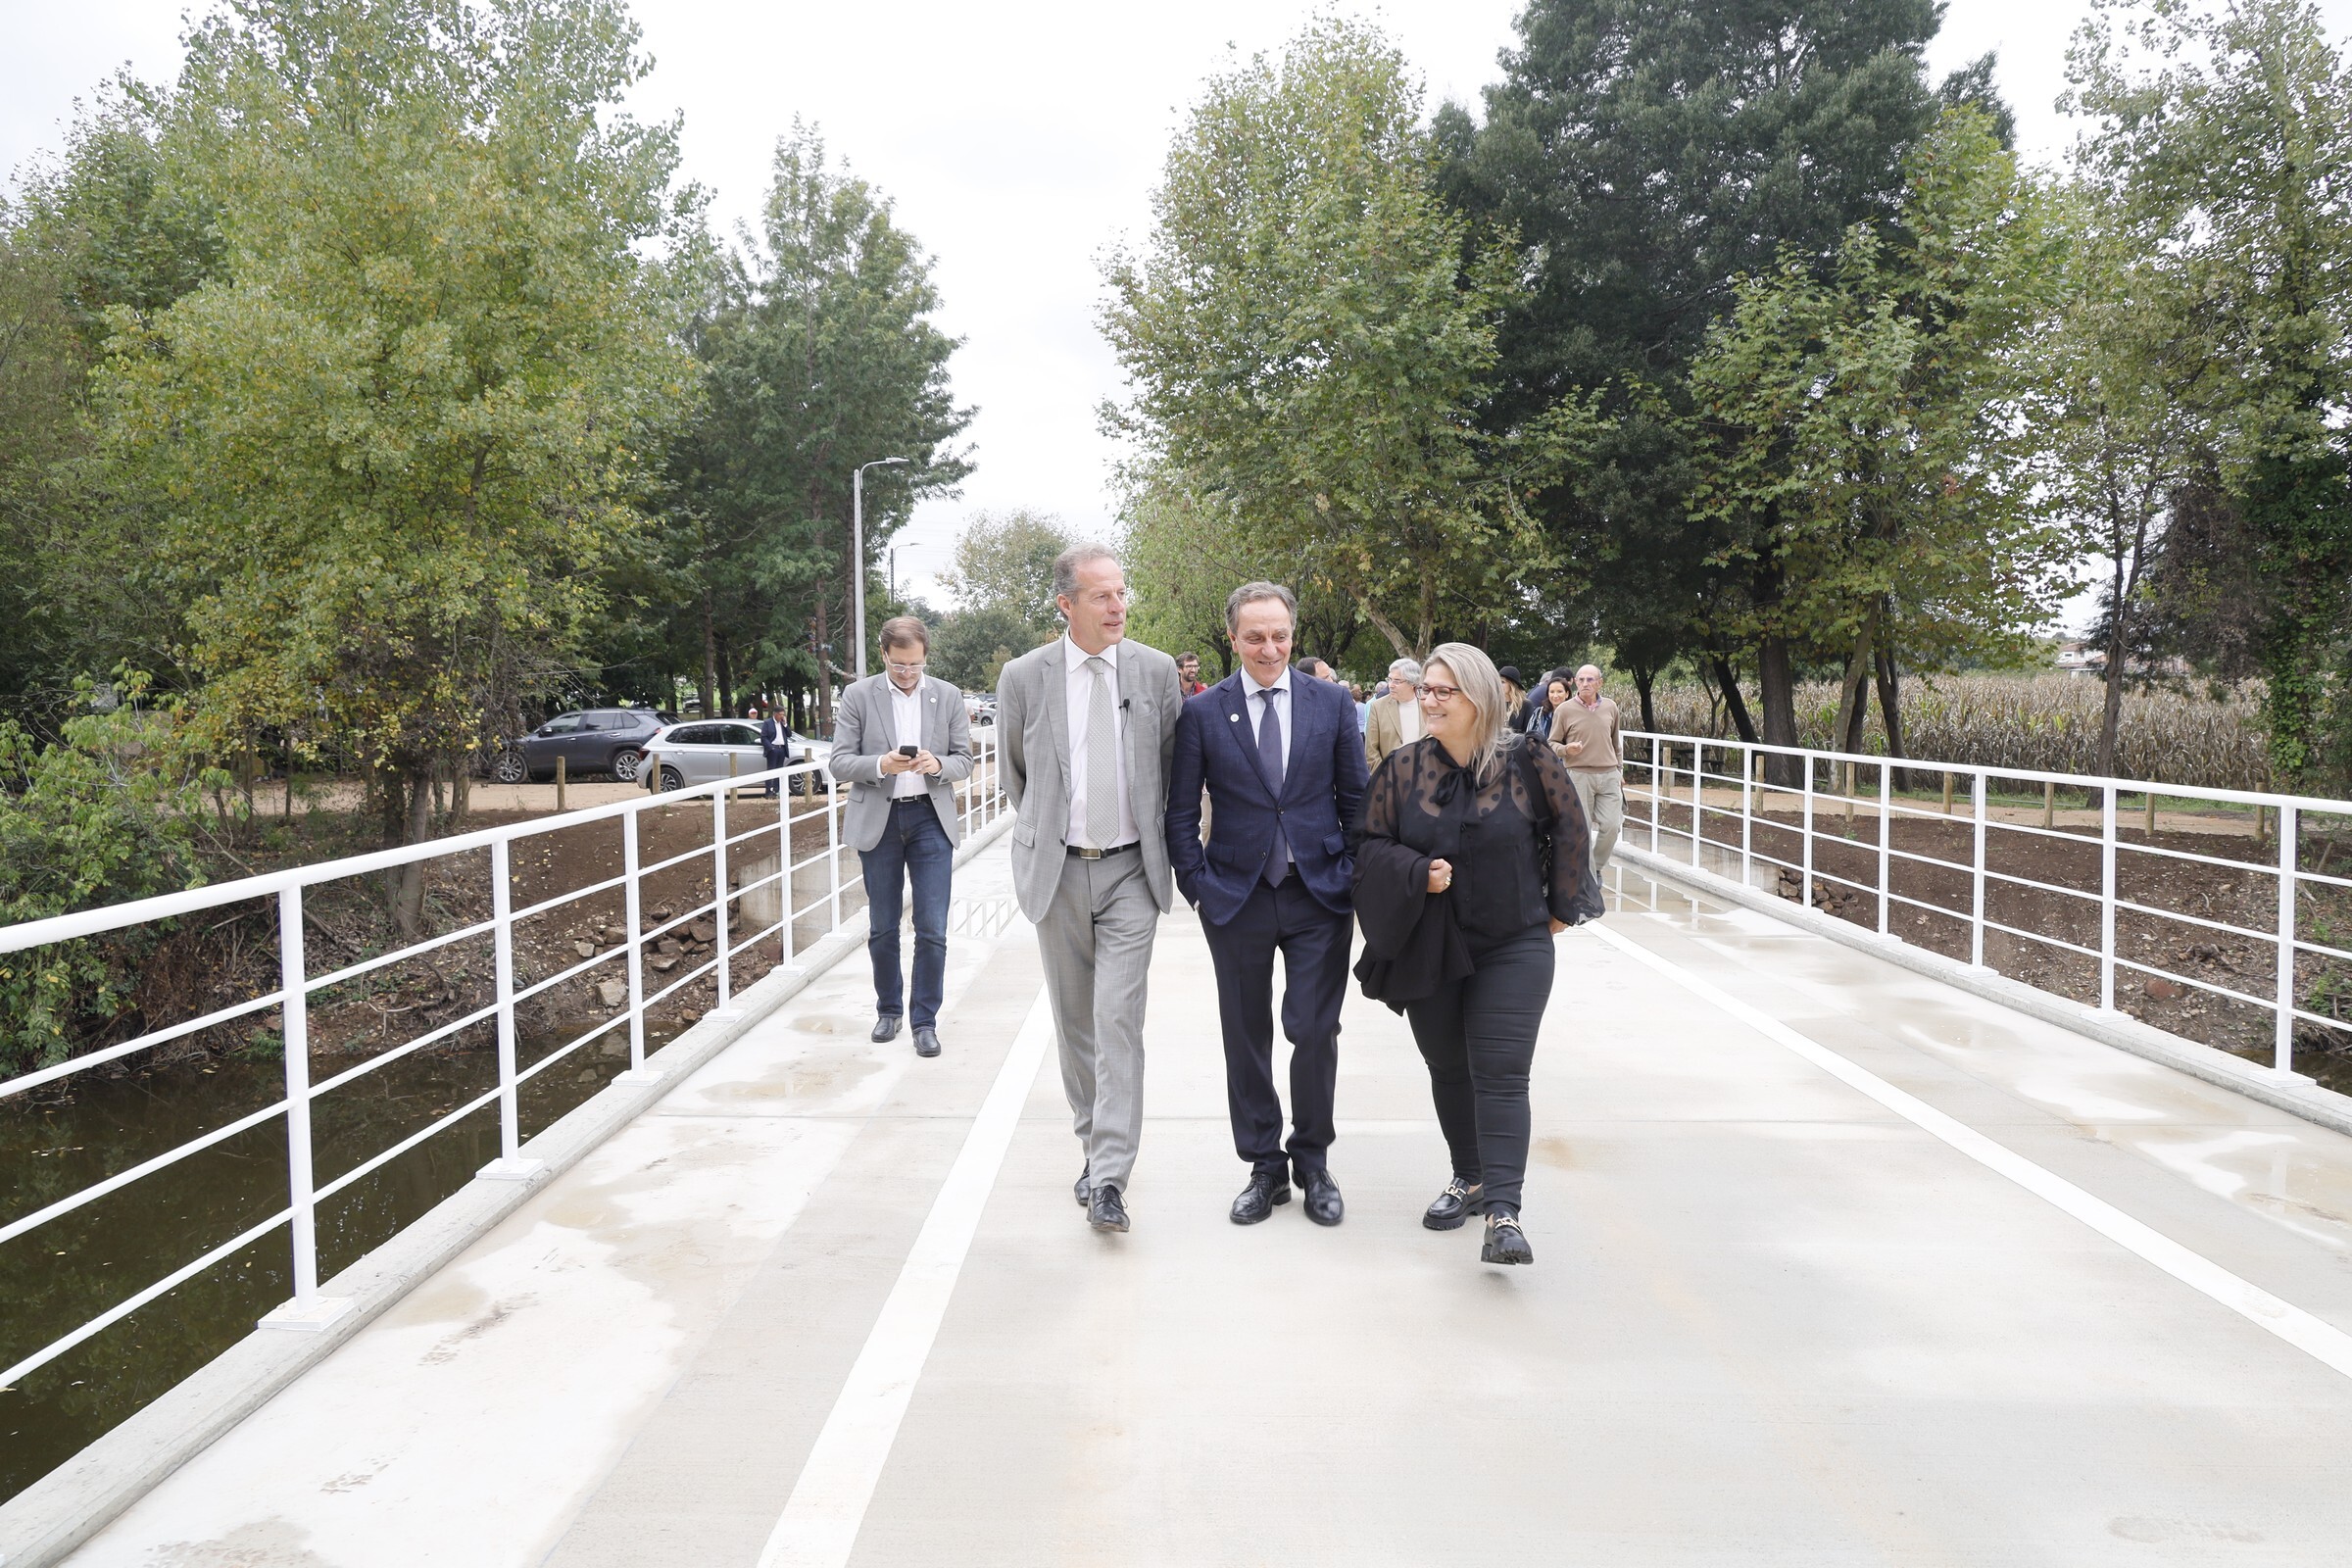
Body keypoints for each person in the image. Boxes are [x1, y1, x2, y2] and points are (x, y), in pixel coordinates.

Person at [1351, 643, 1590, 1267]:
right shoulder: (1402, 770)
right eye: (1425, 689)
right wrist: (1414, 874)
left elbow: (1570, 828)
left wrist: (1560, 910)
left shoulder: (1528, 759)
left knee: (1502, 1074)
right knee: (1448, 1066)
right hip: (1434, 946)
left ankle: (1504, 1213)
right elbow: (1367, 848)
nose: (1427, 700)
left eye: (1441, 691)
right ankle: (1469, 1175)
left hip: (1514, 943)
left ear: (1478, 698)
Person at [1166, 581, 1368, 1227]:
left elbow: (1357, 801)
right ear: (1233, 639)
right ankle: (1264, 1166)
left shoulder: (1332, 704)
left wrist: (1353, 872)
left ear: (1291, 634)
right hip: (1236, 898)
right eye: (1255, 636)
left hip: (1319, 894)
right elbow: (1179, 813)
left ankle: (1312, 1160)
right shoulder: (1202, 713)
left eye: (1279, 635)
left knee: (1313, 1031)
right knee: (1244, 1035)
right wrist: (1198, 885)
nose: (1270, 647)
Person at [998, 544, 1183, 1235]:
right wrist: (1053, 835)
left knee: (1117, 1022)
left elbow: (1169, 767)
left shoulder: (1156, 671)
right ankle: (1090, 1147)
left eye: (1122, 593)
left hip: (1133, 870)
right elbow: (1020, 775)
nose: (1117, 607)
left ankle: (1109, 1177)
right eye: (1101, 596)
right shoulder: (1024, 677)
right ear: (1065, 604)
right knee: (1075, 1024)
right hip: (1058, 870)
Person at [828, 617, 975, 1058]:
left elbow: (964, 761)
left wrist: (936, 765)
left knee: (932, 929)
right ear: (884, 655)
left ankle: (924, 1021)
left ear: (925, 656)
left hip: (931, 819)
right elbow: (838, 763)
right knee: (883, 926)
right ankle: (888, 1010)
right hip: (880, 820)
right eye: (898, 666)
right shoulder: (858, 695)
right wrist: (880, 765)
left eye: (914, 665)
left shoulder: (947, 695)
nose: (907, 674)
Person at [1550, 663, 1625, 876]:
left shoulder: (1610, 707)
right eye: (1581, 680)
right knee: (1581, 829)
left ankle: (1597, 867)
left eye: (1590, 679)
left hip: (1609, 774)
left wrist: (1619, 770)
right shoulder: (1564, 710)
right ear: (1575, 682)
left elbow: (1615, 742)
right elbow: (1552, 743)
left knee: (1612, 826)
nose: (1585, 684)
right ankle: (1589, 878)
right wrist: (1566, 749)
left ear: (1599, 683)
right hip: (1578, 775)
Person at [1363, 658, 1425, 774]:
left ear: (1412, 683)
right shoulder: (1378, 707)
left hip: (1425, 778)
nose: (1390, 685)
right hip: (1390, 781)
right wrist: (1386, 777)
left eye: (1397, 681)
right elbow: (1371, 752)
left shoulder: (1428, 704)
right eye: (1389, 679)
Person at [758, 703, 795, 799]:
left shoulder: (782, 723)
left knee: (779, 770)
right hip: (773, 749)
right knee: (771, 770)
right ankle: (769, 791)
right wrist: (770, 748)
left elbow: (789, 734)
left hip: (781, 749)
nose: (782, 716)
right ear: (775, 714)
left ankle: (777, 790)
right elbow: (763, 737)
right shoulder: (768, 723)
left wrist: (785, 724)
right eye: (781, 715)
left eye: (783, 714)